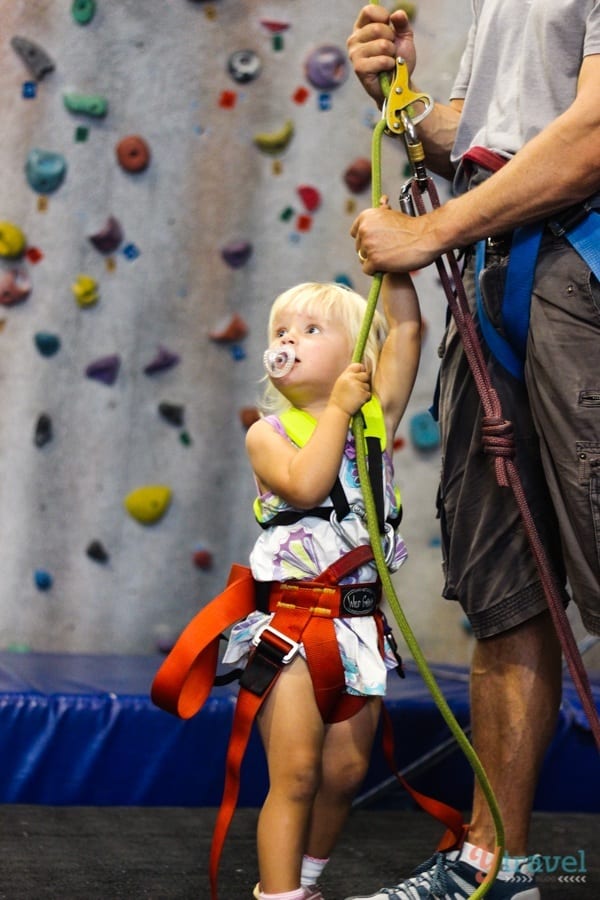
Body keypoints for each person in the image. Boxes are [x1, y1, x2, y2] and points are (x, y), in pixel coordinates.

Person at [344, 3, 600, 900]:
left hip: (585, 273)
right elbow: (498, 139)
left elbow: (593, 132)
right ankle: (497, 867)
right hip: (501, 274)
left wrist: (428, 233)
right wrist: (406, 98)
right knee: (507, 594)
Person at [221, 270, 421, 900]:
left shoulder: (373, 420)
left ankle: (307, 879)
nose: (290, 339)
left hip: (359, 624)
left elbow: (409, 329)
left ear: (357, 356)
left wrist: (399, 267)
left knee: (344, 772)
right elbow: (306, 486)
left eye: (311, 329)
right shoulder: (267, 434)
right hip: (296, 628)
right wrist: (335, 406)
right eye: (282, 330)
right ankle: (278, 894)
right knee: (299, 773)